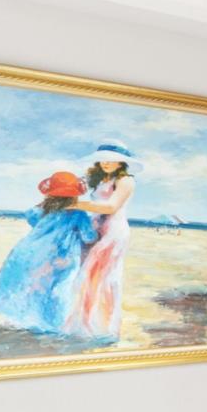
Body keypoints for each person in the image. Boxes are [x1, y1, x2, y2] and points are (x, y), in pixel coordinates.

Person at [0, 171, 100, 334]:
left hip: (30, 251)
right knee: (56, 289)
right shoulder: (78, 214)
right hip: (60, 256)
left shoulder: (42, 210)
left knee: (30, 286)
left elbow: (30, 216)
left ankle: (23, 322)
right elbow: (88, 237)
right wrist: (99, 234)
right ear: (75, 195)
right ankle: (52, 327)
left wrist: (45, 204)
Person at [66, 140, 142, 342]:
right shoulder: (100, 179)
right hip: (95, 229)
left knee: (105, 277)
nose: (106, 163)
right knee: (88, 276)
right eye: (102, 160)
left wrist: (76, 204)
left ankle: (103, 329)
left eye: (111, 159)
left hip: (113, 231)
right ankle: (84, 325)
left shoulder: (126, 180)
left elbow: (111, 207)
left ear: (121, 162)